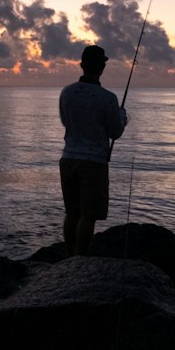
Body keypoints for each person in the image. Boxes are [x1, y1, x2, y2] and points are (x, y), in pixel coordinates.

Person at [59, 44, 128, 257]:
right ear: (102, 67)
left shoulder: (67, 92)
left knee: (72, 213)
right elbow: (115, 132)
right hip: (94, 163)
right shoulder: (107, 99)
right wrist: (123, 116)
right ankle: (80, 258)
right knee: (88, 216)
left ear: (81, 65)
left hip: (68, 159)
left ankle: (69, 255)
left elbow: (65, 122)